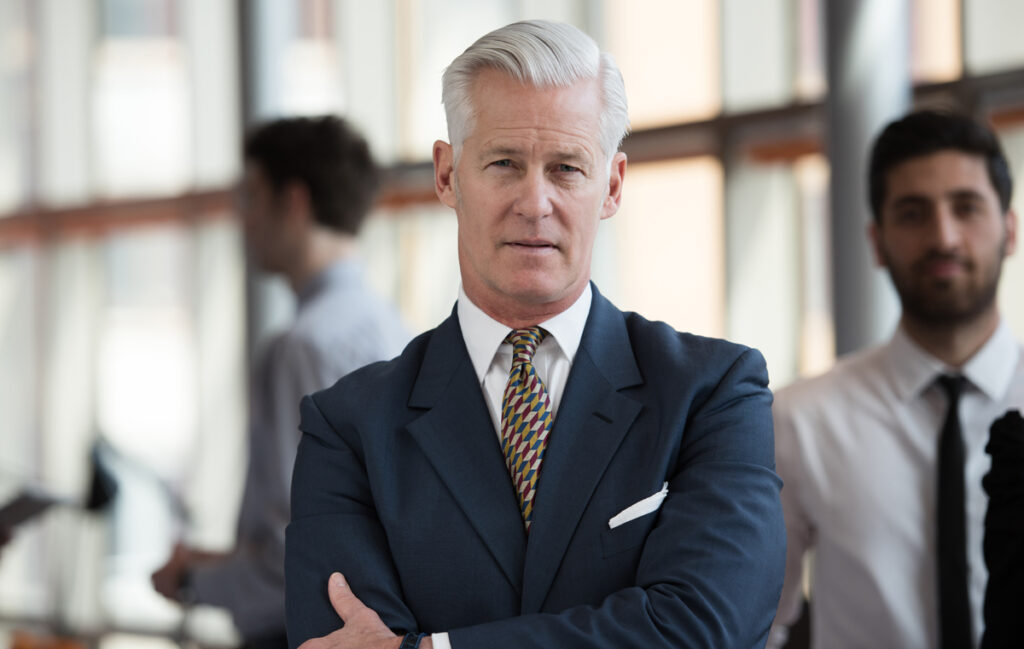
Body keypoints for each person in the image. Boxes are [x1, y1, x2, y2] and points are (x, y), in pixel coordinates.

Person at [285, 20, 785, 649]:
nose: (535, 202)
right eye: (503, 163)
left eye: (567, 168)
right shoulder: (348, 428)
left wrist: (431, 648)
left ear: (612, 184)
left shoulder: (712, 394)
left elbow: (704, 628)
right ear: (446, 175)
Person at [151, 115, 410, 649]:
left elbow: (293, 556)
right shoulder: (396, 328)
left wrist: (191, 581)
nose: (243, 220)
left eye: (252, 197)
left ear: (293, 201)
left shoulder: (300, 345)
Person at [769, 109, 1022, 649]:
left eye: (966, 207)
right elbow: (757, 623)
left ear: (1010, 229)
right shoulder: (800, 420)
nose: (944, 237)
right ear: (877, 242)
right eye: (913, 213)